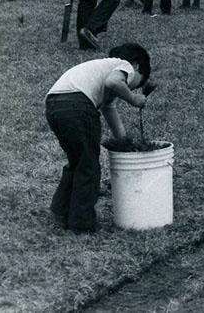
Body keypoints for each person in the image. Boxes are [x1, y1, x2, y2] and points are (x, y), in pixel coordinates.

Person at [45, 43, 150, 233]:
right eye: (139, 82)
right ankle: (81, 224)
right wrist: (134, 99)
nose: (135, 86)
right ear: (136, 65)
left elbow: (109, 108)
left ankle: (60, 212)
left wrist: (124, 142)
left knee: (77, 162)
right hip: (78, 105)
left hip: (55, 105)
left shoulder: (103, 70)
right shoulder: (125, 66)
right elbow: (115, 83)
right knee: (89, 166)